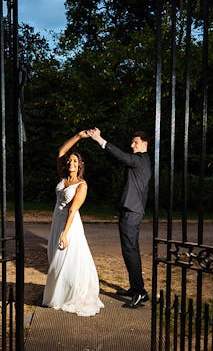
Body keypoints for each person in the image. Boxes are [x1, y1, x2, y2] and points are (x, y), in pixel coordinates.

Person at [41, 131, 104, 317]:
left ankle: (72, 294)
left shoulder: (81, 185)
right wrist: (78, 136)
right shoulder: (63, 178)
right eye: (70, 161)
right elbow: (61, 151)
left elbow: (72, 210)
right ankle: (58, 295)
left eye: (75, 162)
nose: (71, 163)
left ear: (80, 166)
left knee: (65, 260)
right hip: (56, 222)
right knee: (54, 258)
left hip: (70, 226)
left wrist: (65, 233)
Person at [86, 127, 151, 308]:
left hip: (132, 211)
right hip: (131, 210)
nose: (132, 145)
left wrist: (100, 140)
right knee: (130, 250)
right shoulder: (142, 161)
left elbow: (122, 156)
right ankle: (137, 288)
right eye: (132, 142)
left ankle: (139, 293)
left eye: (135, 142)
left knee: (130, 250)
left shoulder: (140, 159)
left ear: (145, 144)